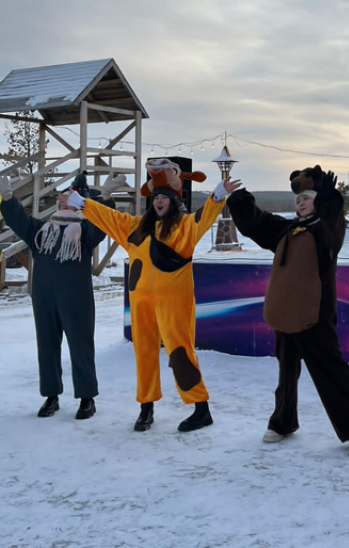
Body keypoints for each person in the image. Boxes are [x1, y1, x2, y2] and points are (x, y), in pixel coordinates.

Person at [60, 159, 240, 432]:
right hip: (141, 303)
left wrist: (217, 196)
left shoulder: (183, 228)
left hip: (174, 303)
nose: (158, 201)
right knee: (144, 353)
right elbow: (110, 218)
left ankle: (201, 408)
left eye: (164, 197)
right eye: (155, 197)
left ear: (173, 202)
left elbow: (202, 219)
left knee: (180, 352)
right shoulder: (135, 228)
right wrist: (81, 203)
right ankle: (146, 407)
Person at [227, 165, 349, 457]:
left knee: (331, 373)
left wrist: (330, 200)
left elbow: (332, 224)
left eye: (307, 198)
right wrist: (239, 199)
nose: (301, 202)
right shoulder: (288, 229)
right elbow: (258, 223)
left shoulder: (325, 230)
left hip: (315, 317)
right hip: (285, 314)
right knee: (286, 373)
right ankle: (283, 422)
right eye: (298, 199)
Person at [0, 172, 123, 419]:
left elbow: (106, 221)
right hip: (44, 297)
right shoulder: (40, 229)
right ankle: (51, 395)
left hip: (76, 297)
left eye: (70, 197)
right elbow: (17, 219)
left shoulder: (85, 231)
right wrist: (7, 197)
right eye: (63, 195)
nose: (63, 199)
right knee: (46, 345)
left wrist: (106, 197)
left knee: (80, 346)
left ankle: (87, 397)